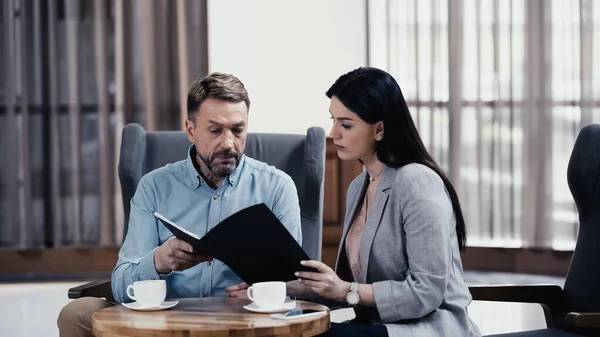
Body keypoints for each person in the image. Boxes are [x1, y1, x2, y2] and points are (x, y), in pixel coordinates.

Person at [57, 72, 302, 337]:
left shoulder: (277, 187)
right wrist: (159, 260)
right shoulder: (154, 187)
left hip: (246, 322)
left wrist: (262, 290)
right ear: (190, 130)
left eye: (237, 130)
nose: (228, 143)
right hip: (167, 324)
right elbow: (120, 285)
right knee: (76, 314)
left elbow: (298, 283)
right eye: (215, 130)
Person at [287, 67, 481, 337]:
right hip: (379, 327)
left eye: (345, 124)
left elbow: (426, 292)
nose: (333, 134)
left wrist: (345, 290)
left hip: (428, 330)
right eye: (333, 120)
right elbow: (351, 286)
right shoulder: (359, 187)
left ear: (379, 129)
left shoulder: (417, 182)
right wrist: (299, 289)